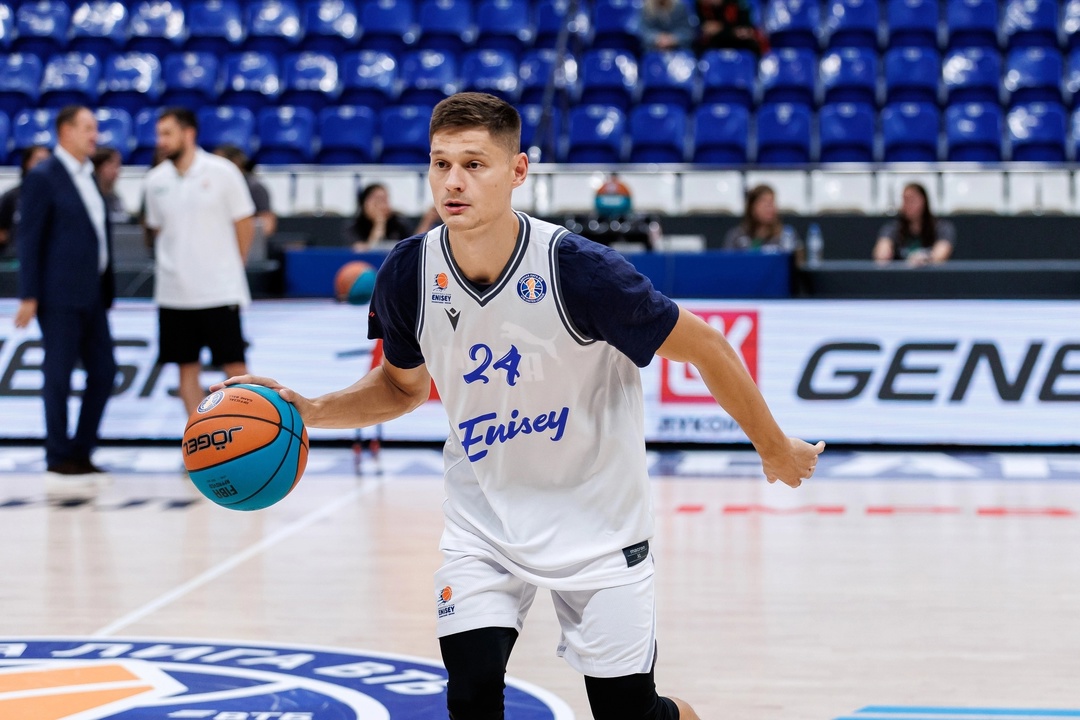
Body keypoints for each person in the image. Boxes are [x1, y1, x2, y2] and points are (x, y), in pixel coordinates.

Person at [217, 92, 823, 720]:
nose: (453, 181)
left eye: (474, 164)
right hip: (484, 525)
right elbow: (402, 387)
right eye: (441, 163)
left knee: (628, 713)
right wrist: (309, 410)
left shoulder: (579, 271)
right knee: (471, 694)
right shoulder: (409, 273)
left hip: (598, 525)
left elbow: (707, 347)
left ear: (518, 170)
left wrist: (773, 446)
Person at [14, 107, 117, 476]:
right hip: (58, 295)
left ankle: (81, 449)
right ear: (65, 131)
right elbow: (29, 239)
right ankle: (58, 454)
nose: (94, 135)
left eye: (95, 128)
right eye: (87, 128)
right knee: (58, 375)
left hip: (93, 294)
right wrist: (29, 295)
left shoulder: (88, 174)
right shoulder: (44, 176)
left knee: (104, 372)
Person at [143, 107, 256, 418]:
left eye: (167, 133)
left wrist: (233, 266)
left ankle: (247, 436)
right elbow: (157, 230)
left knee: (236, 369)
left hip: (219, 291)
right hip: (173, 294)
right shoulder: (154, 181)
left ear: (188, 133)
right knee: (186, 371)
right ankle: (199, 438)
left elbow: (244, 224)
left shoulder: (223, 172)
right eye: (159, 134)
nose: (161, 141)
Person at [213, 144, 278, 256]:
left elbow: (268, 224)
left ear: (235, 163)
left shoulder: (254, 187)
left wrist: (243, 228)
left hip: (250, 249)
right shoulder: (215, 188)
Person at [873, 182, 956, 267]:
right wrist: (883, 253)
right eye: (904, 200)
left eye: (912, 200)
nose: (907, 205)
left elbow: (941, 254)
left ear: (924, 201)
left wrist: (924, 258)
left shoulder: (942, 227)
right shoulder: (892, 228)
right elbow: (882, 251)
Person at [723, 183, 804, 264]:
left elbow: (799, 263)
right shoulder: (736, 236)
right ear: (752, 207)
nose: (769, 208)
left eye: (771, 203)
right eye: (764, 203)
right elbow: (727, 264)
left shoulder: (787, 234)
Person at [346, 182, 440, 251]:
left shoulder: (398, 222)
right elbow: (364, 252)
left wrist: (427, 220)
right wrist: (379, 223)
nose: (381, 205)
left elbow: (414, 247)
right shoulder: (354, 226)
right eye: (377, 200)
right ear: (364, 204)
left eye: (385, 200)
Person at [0, 145, 52, 258]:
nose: (44, 166)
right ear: (26, 163)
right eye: (39, 161)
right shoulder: (12, 196)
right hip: (16, 258)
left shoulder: (58, 197)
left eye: (47, 162)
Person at [694, 0, 767, 55]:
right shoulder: (702, 6)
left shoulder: (738, 4)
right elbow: (706, 29)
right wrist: (731, 31)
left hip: (739, 44)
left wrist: (721, 28)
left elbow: (745, 30)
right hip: (714, 45)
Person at [91, 146, 133, 225]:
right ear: (100, 167)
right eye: (114, 165)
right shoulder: (89, 194)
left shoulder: (114, 196)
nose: (117, 171)